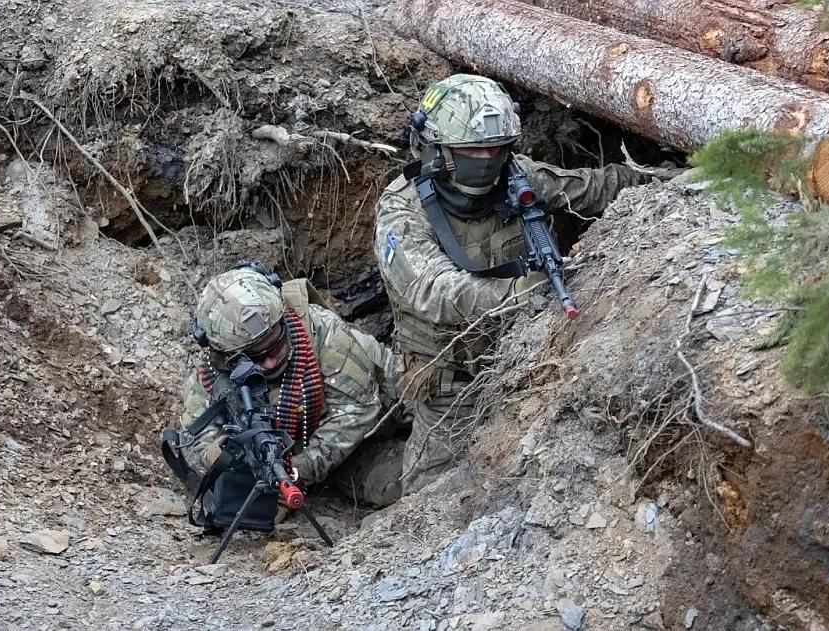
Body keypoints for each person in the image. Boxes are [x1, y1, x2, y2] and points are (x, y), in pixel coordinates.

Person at [374, 73, 652, 494]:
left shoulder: (515, 176)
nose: (487, 158)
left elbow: (589, 188)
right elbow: (436, 291)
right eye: (472, 150)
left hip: (525, 349)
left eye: (497, 148)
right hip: (451, 375)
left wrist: (670, 181)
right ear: (437, 149)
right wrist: (519, 292)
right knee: (432, 496)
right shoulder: (402, 214)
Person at [168, 261, 405, 508]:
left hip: (377, 423)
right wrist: (222, 457)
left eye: (277, 344)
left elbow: (358, 412)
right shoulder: (215, 364)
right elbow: (193, 437)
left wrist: (297, 472)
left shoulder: (325, 333)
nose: (270, 362)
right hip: (309, 449)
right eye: (255, 356)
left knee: (399, 484)